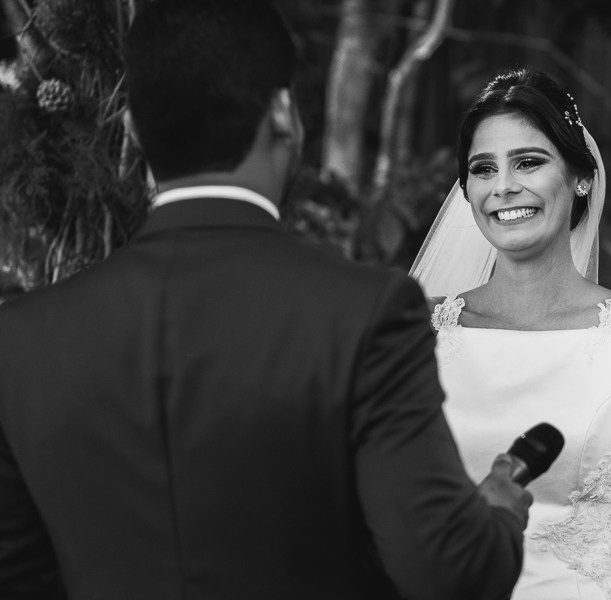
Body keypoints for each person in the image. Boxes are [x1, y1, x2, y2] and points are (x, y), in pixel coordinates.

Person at [0, 2, 531, 599]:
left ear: (132, 132)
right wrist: (500, 509)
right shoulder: (364, 314)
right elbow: (447, 570)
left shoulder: (20, 340)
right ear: (283, 112)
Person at [410, 68, 611, 600]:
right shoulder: (421, 331)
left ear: (580, 177)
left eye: (528, 162)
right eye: (482, 168)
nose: (503, 187)